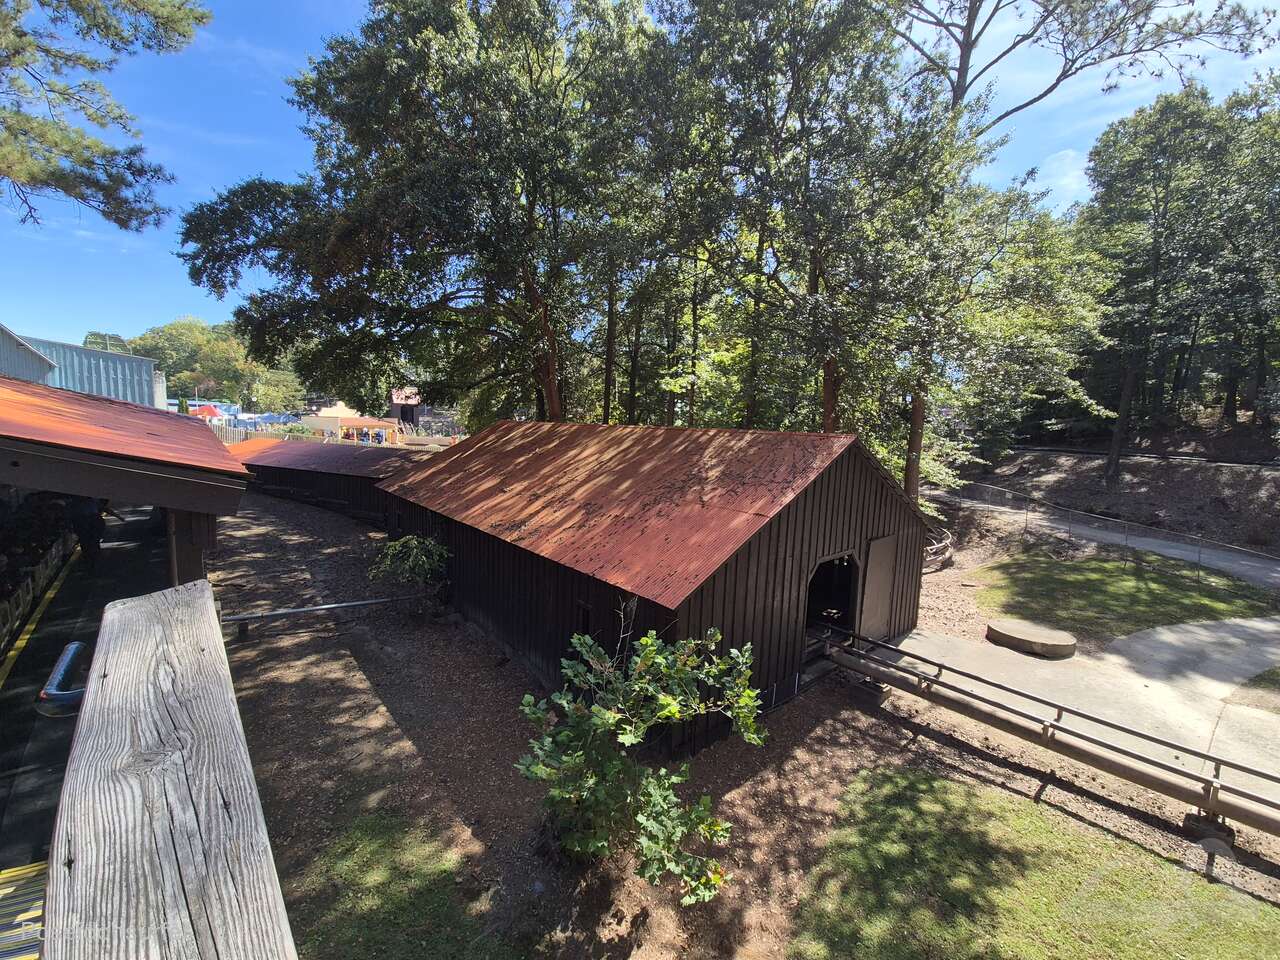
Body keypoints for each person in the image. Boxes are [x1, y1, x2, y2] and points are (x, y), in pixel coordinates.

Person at [65, 497, 123, 571]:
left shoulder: (92, 501)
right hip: (83, 523)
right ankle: (89, 560)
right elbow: (69, 515)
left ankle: (93, 560)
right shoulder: (74, 503)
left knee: (92, 542)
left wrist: (118, 516)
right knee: (85, 542)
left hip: (93, 522)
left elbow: (104, 508)